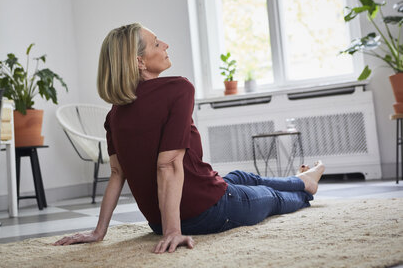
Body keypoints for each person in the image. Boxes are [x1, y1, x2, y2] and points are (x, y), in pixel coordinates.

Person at [54, 23, 325, 253]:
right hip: (207, 210)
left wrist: (99, 231)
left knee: (243, 177)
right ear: (139, 61)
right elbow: (168, 164)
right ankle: (306, 188)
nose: (165, 45)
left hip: (160, 219)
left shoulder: (114, 114)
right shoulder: (178, 88)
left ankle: (301, 180)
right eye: (156, 43)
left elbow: (116, 174)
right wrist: (173, 231)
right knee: (270, 198)